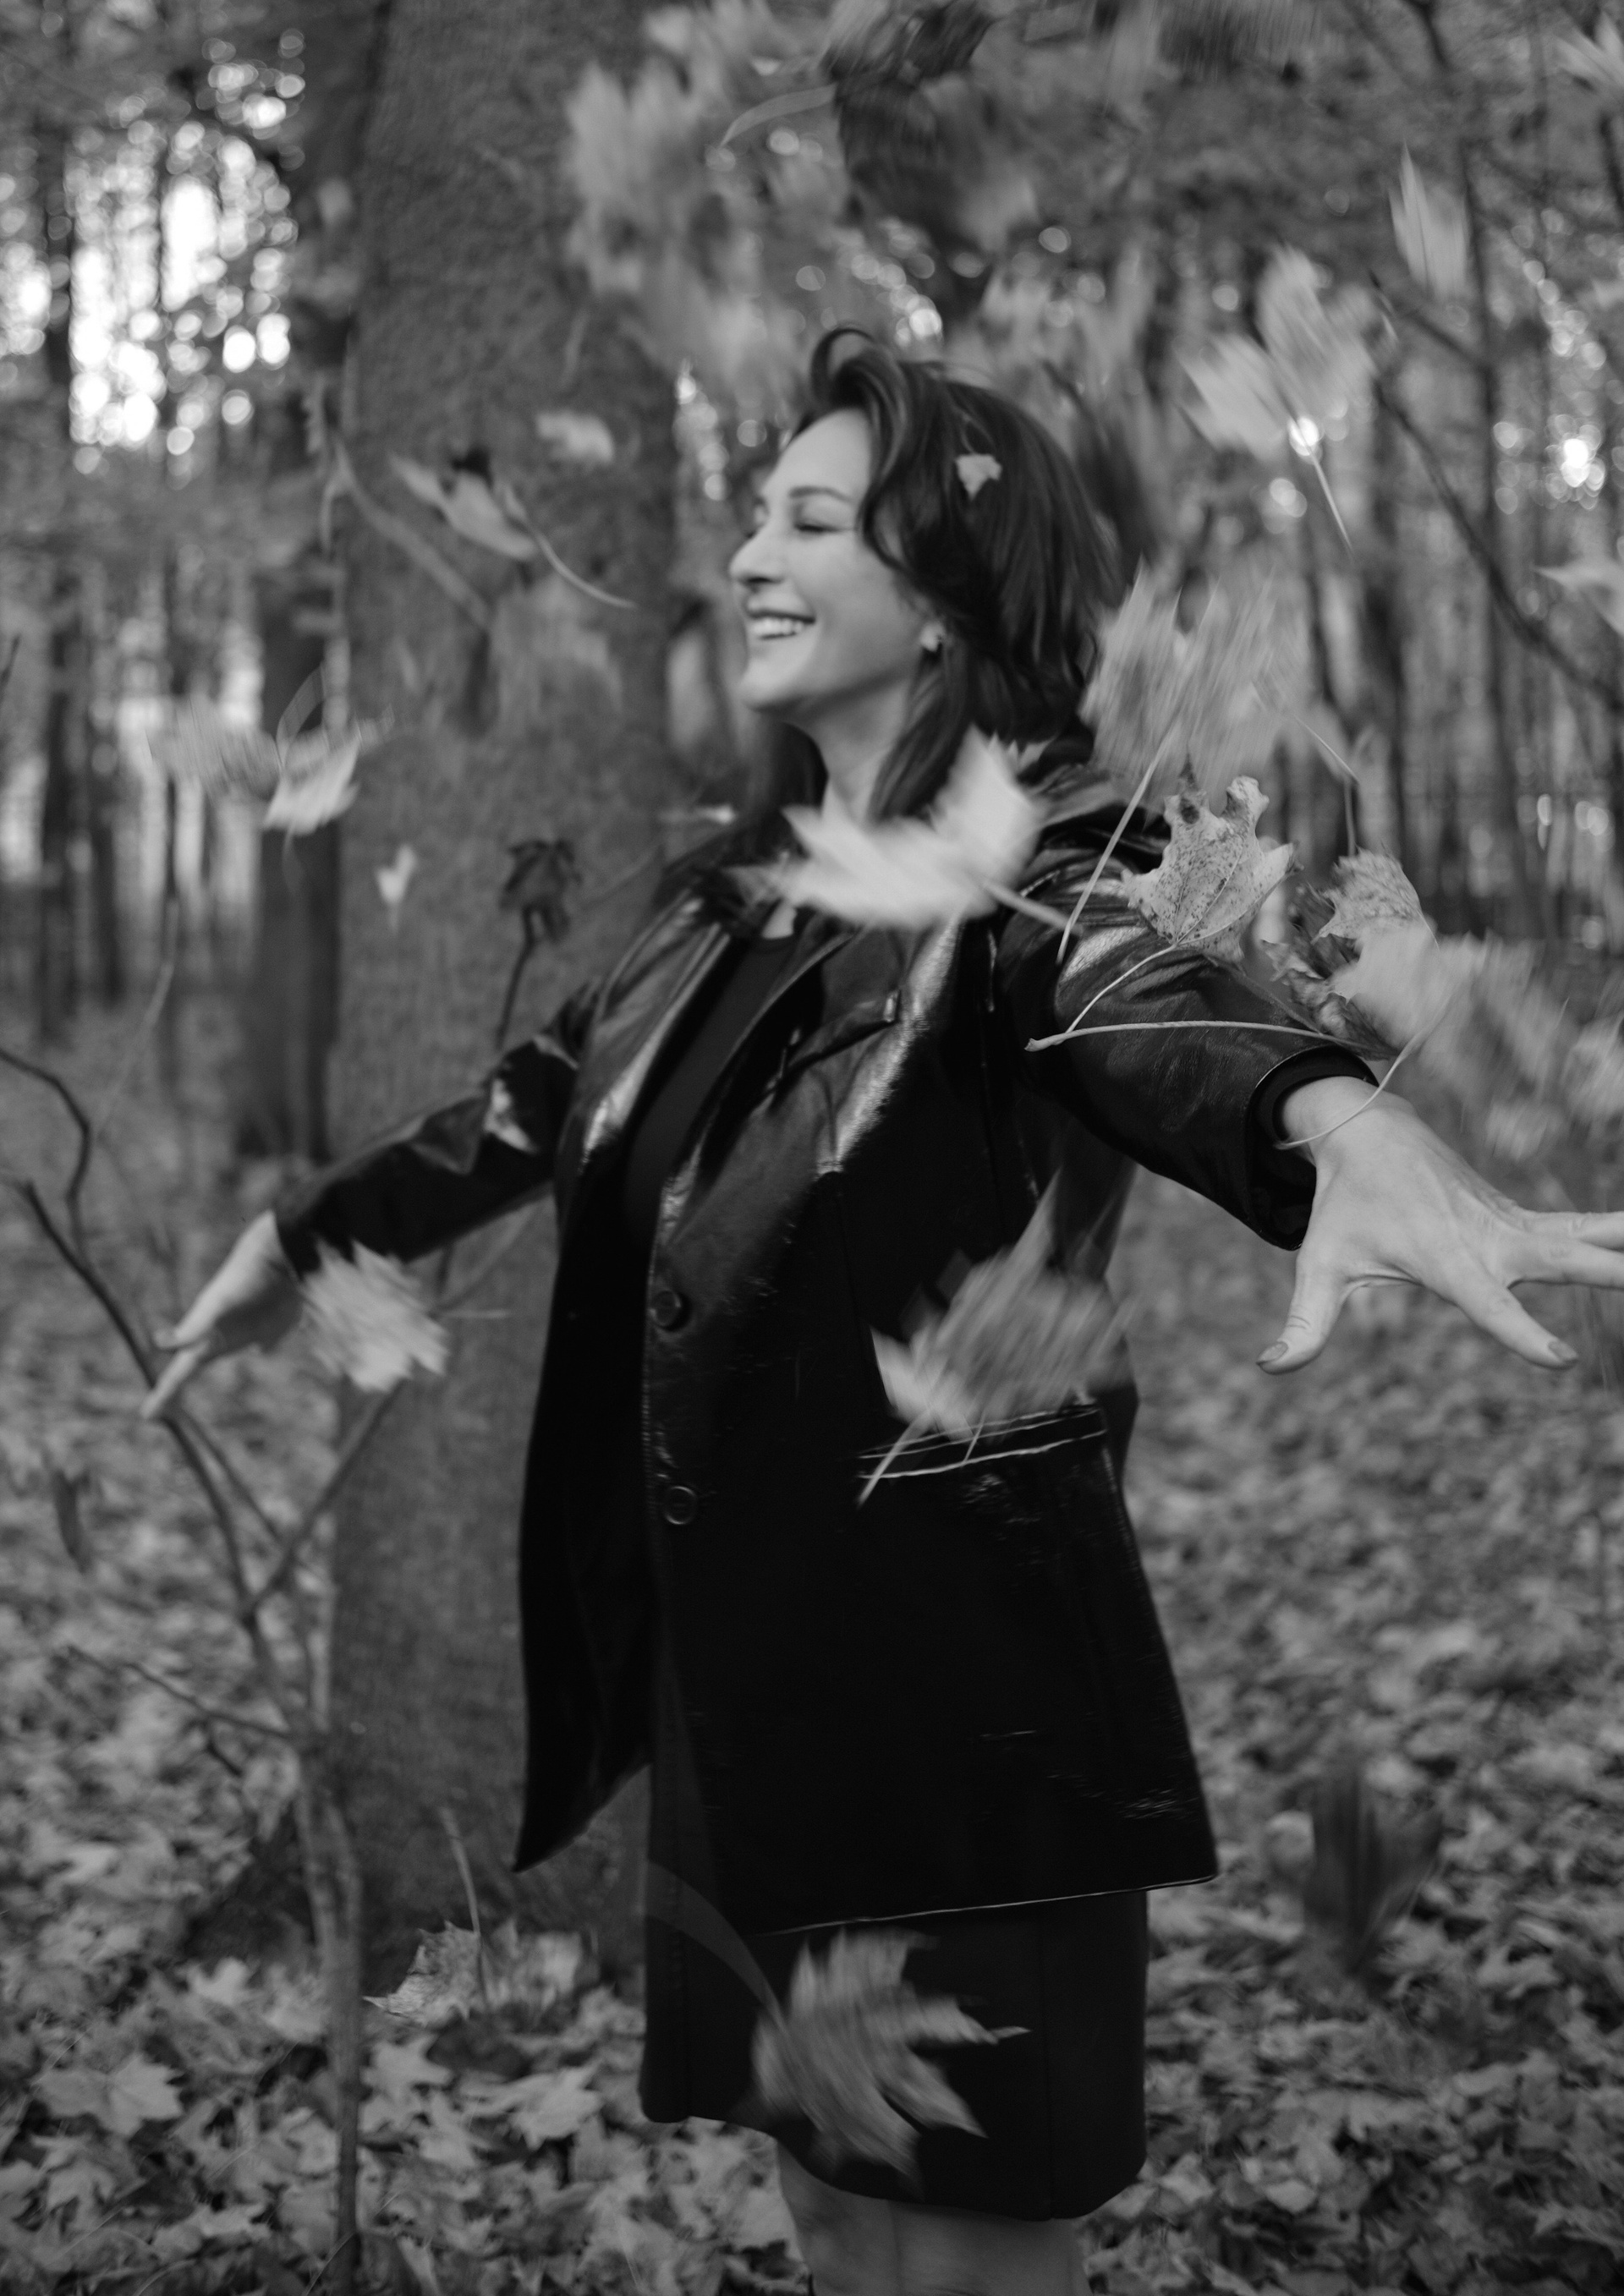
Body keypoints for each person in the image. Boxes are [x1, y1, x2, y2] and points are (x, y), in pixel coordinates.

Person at [147, 332, 1624, 2296]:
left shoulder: (1046, 865)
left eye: (813, 521)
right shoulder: (736, 907)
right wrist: (305, 1239)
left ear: (939, 599)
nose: (751, 554)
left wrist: (1332, 1121)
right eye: (757, 514)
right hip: (752, 1701)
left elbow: (1144, 1001)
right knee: (836, 2214)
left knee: (968, 2252)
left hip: (961, 1709)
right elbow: (529, 1106)